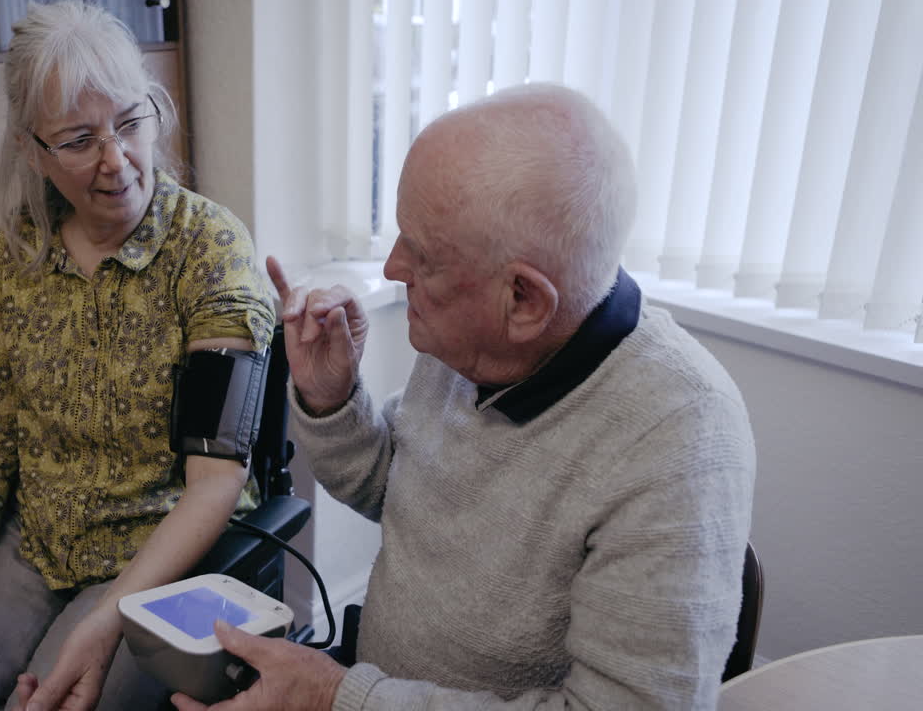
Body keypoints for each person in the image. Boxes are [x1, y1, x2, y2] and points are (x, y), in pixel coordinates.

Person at [172, 83, 756, 711]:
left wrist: (338, 698)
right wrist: (332, 398)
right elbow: (394, 492)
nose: (394, 268)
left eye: (421, 255)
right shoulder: (475, 348)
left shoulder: (679, 438)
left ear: (523, 300)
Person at [0, 1, 275, 711]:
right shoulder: (16, 258)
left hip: (157, 559)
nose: (116, 162)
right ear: (32, 150)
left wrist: (108, 616)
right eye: (79, 140)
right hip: (36, 544)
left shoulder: (210, 252)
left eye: (129, 123)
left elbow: (213, 485)